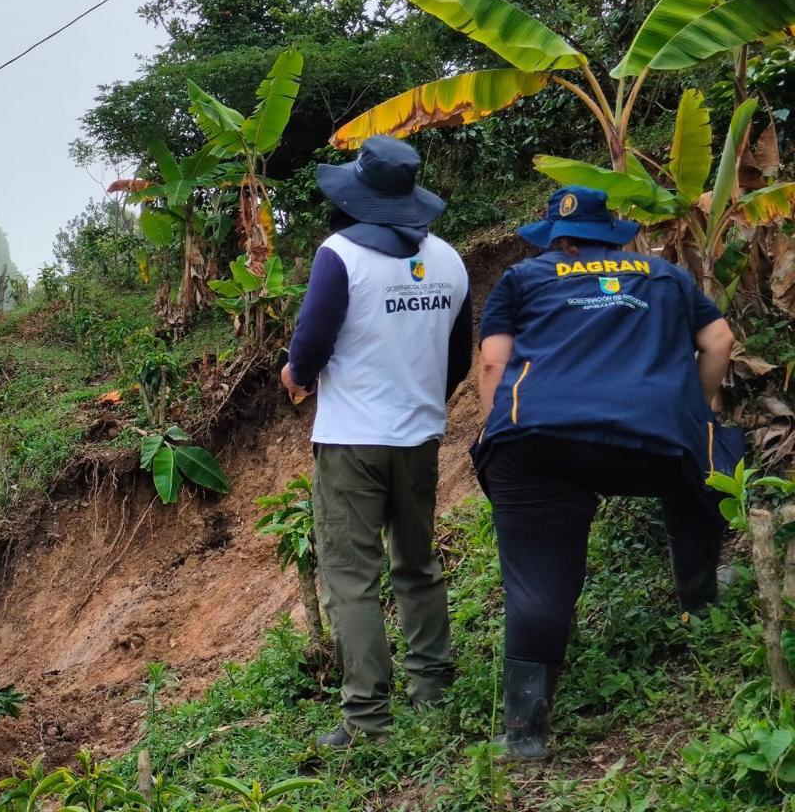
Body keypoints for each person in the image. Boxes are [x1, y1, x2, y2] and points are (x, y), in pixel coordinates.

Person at [474, 185, 736, 761]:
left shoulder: (522, 280)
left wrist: (497, 430)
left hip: (540, 438)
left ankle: (525, 736)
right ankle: (700, 595)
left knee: (539, 580)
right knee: (711, 459)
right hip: (653, 434)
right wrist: (694, 407)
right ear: (613, 234)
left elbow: (494, 361)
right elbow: (718, 339)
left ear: (554, 239)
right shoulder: (664, 275)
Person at [281, 135, 472, 749]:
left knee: (351, 575)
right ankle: (433, 688)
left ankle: (367, 719)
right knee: (417, 563)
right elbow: (458, 359)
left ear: (359, 195)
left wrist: (296, 377)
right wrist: (419, 401)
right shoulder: (449, 260)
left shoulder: (339, 256)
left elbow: (310, 345)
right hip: (419, 440)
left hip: (350, 444)